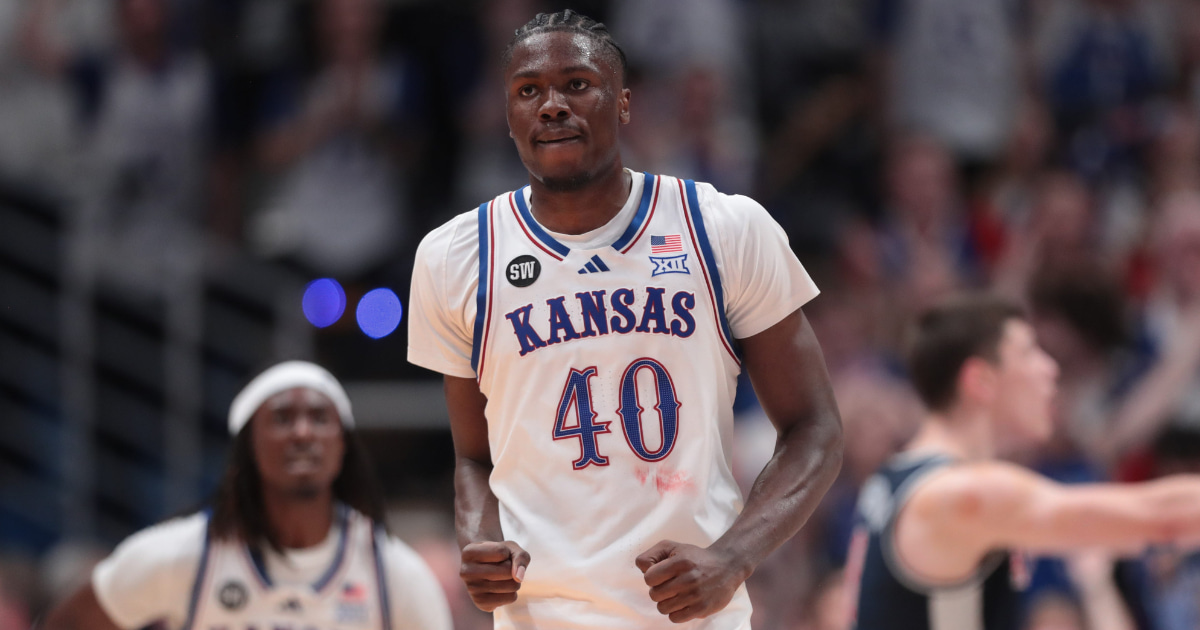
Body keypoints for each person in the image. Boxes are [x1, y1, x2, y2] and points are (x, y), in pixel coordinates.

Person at [407, 10, 843, 629]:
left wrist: (732, 558)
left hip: (692, 617)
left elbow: (816, 429)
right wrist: (480, 541)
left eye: (577, 84)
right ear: (508, 117)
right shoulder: (454, 256)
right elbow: (474, 460)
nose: (552, 105)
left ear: (625, 103)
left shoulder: (723, 227)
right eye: (528, 91)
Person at [846, 294, 1200, 630]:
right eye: (1030, 353)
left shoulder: (896, 478)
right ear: (980, 380)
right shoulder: (959, 492)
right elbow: (1162, 518)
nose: (1050, 369)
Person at [42, 361, 452, 630]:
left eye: (319, 418)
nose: (303, 432)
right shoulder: (183, 555)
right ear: (247, 446)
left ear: (342, 446)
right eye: (282, 418)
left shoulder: (392, 571)